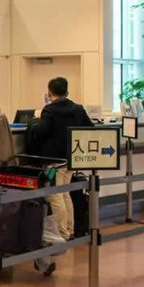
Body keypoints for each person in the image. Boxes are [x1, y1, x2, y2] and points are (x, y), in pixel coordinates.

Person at [27, 76, 94, 239]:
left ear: (50, 93)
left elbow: (42, 131)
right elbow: (90, 127)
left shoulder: (50, 109)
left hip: (54, 159)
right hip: (71, 157)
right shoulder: (78, 108)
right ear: (67, 91)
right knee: (65, 193)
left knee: (55, 194)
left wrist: (34, 123)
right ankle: (69, 229)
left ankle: (62, 232)